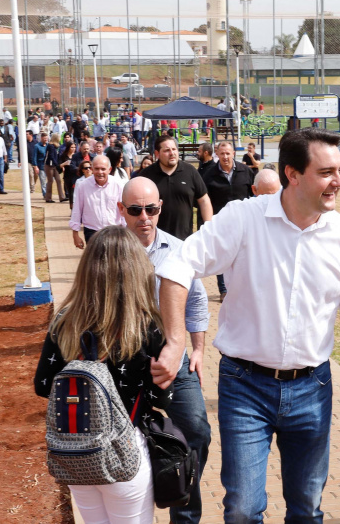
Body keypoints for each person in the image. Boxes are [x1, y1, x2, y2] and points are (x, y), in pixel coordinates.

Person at [154, 128, 340, 522]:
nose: (338, 182)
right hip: (245, 387)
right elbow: (176, 265)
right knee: (242, 509)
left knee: (307, 507)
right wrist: (175, 340)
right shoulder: (244, 218)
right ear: (293, 174)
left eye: (339, 170)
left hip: (313, 389)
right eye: (327, 172)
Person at [33, 226, 171, 524]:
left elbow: (43, 385)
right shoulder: (147, 328)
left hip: (76, 456)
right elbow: (162, 397)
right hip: (125, 454)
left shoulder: (64, 321)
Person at [118, 177, 213, 524]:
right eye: (135, 210)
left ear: (161, 207)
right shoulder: (108, 249)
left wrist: (198, 350)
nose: (144, 217)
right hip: (123, 362)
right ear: (121, 210)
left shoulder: (179, 250)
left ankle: (183, 511)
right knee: (125, 440)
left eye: (151, 209)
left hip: (174, 359)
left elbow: (198, 302)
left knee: (197, 432)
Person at [201, 141, 254, 302]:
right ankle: (223, 289)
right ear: (216, 154)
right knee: (222, 256)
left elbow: (254, 195)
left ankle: (243, 287)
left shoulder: (245, 171)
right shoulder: (209, 175)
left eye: (228, 153)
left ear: (233, 153)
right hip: (220, 223)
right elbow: (204, 200)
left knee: (244, 256)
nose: (225, 157)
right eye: (222, 153)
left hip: (244, 223)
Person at [138, 135, 212, 240]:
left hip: (184, 240)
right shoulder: (146, 175)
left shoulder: (190, 171)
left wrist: (208, 228)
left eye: (174, 149)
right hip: (155, 240)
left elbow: (204, 200)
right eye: (167, 150)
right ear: (157, 154)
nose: (172, 153)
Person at [70, 155, 123, 248]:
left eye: (103, 169)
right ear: (92, 169)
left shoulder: (118, 185)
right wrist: (75, 234)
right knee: (95, 262)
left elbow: (124, 210)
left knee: (113, 261)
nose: (100, 172)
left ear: (109, 169)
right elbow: (77, 209)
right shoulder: (83, 186)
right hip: (92, 231)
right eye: (97, 169)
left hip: (114, 231)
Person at [40, 133, 66, 203]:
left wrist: (59, 164)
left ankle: (61, 197)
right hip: (49, 166)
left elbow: (58, 156)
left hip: (55, 165)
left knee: (58, 180)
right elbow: (51, 156)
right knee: (50, 181)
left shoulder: (57, 146)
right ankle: (48, 198)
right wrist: (56, 164)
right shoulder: (50, 146)